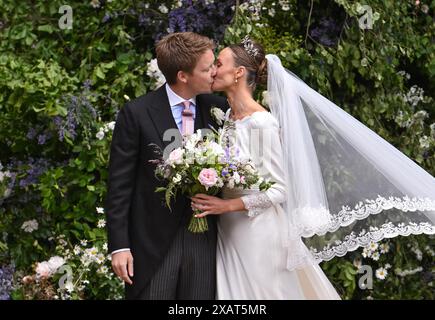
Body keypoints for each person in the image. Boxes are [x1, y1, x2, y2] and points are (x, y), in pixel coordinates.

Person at [191, 36, 435, 299]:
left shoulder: (260, 123)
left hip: (258, 232)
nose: (213, 69)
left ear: (238, 73)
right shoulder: (228, 117)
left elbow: (279, 189)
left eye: (218, 63)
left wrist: (226, 206)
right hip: (229, 228)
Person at [105, 32, 228, 299]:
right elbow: (119, 185)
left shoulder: (220, 109)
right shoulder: (136, 113)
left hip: (205, 240)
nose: (214, 73)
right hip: (152, 244)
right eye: (207, 69)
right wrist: (119, 246)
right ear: (183, 76)